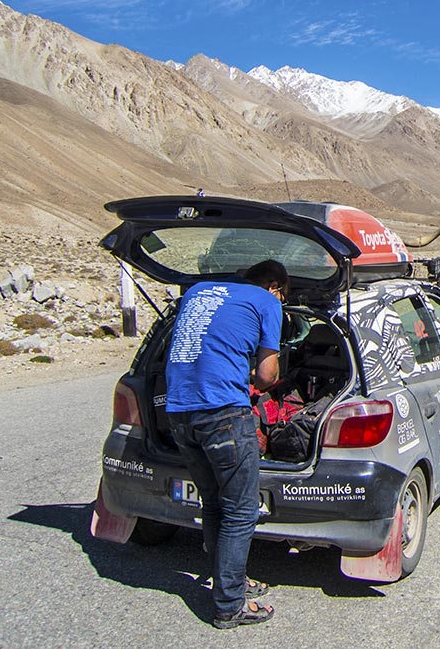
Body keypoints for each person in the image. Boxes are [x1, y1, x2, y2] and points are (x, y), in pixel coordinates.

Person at [164, 259, 288, 628]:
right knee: (241, 511)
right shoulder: (267, 301)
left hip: (179, 412)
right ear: (275, 287)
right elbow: (267, 376)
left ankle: (231, 582)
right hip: (223, 416)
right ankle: (230, 605)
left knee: (215, 503)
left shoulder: (199, 292)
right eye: (282, 295)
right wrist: (261, 374)